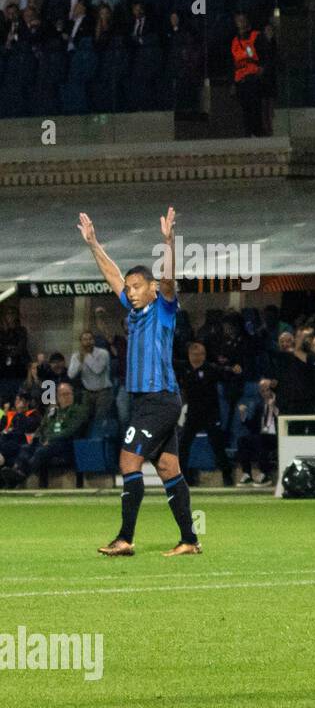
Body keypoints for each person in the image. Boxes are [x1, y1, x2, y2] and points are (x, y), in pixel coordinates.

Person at [78, 207, 201, 557]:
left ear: (151, 289)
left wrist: (168, 243)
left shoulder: (163, 308)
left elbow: (168, 280)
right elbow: (112, 275)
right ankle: (190, 540)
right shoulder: (133, 312)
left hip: (158, 399)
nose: (130, 292)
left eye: (137, 287)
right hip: (150, 400)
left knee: (128, 462)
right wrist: (94, 243)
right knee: (167, 467)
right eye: (129, 288)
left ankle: (125, 538)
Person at [0, 381, 88, 488]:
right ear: (57, 397)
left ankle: (20, 476)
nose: (65, 397)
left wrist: (50, 439)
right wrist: (37, 437)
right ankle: (16, 471)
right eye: (62, 394)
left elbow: (70, 430)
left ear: (73, 395)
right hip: (47, 442)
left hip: (66, 444)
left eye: (68, 394)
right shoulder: (52, 410)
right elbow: (42, 427)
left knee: (42, 450)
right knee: (26, 448)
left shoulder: (77, 410)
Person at [176, 341, 235, 486]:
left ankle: (227, 476)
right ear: (189, 355)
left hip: (210, 414)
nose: (198, 357)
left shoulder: (211, 369)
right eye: (195, 354)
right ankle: (184, 478)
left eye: (201, 354)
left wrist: (234, 370)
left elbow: (227, 373)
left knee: (217, 445)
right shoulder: (184, 368)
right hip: (193, 414)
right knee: (183, 445)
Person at [231, 12, 267, 137]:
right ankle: (248, 133)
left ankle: (258, 132)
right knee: (245, 108)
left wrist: (262, 69)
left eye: (242, 19)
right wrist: (233, 82)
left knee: (255, 106)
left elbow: (264, 54)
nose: (240, 22)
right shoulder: (235, 41)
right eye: (238, 20)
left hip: (253, 76)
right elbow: (233, 62)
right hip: (240, 78)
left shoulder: (255, 36)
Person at [236, 378, 278, 485]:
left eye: (267, 390)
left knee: (260, 439)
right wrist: (243, 415)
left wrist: (273, 407)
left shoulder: (280, 402)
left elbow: (282, 418)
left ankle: (265, 474)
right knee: (242, 440)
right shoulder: (260, 405)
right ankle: (247, 474)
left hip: (276, 435)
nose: (264, 393)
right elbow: (252, 426)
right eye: (262, 391)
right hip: (262, 435)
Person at [69, 329, 113, 428]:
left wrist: (86, 356)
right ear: (81, 342)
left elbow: (98, 370)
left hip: (103, 391)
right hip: (88, 392)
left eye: (90, 339)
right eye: (85, 339)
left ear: (94, 340)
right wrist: (79, 362)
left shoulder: (103, 353)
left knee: (99, 420)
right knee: (85, 420)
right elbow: (71, 374)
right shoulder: (76, 356)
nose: (88, 342)